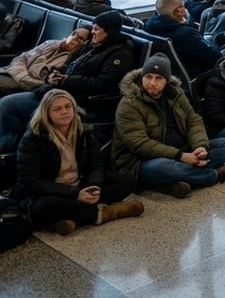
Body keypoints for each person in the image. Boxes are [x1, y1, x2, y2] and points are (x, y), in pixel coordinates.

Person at [112, 54, 225, 199]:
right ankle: (216, 174)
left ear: (166, 81)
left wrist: (199, 146)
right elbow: (139, 143)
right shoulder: (129, 103)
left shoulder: (176, 94)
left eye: (158, 78)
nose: (152, 83)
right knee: (162, 167)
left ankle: (179, 181)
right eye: (148, 77)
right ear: (142, 77)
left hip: (182, 149)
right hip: (141, 160)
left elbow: (193, 120)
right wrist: (181, 156)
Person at [0, 10, 135, 153]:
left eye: (96, 29)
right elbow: (66, 66)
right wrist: (52, 76)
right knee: (7, 104)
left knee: (37, 118)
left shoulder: (120, 55)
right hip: (55, 92)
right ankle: (12, 146)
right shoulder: (89, 47)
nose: (93, 32)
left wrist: (68, 81)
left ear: (108, 32)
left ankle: (22, 151)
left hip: (80, 102)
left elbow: (104, 84)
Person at [14, 90, 143, 236]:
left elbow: (96, 164)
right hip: (52, 191)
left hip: (80, 184)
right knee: (43, 207)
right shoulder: (33, 139)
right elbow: (31, 182)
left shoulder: (84, 131)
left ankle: (69, 217)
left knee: (128, 181)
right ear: (46, 113)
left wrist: (93, 186)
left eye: (68, 106)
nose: (64, 112)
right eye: (57, 109)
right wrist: (75, 194)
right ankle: (105, 213)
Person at [144, 0, 222, 76]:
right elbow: (216, 58)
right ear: (179, 11)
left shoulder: (149, 25)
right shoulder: (187, 34)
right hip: (201, 73)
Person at [0, 27, 89, 98]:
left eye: (80, 38)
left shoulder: (71, 61)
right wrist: (23, 76)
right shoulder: (51, 43)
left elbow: (44, 82)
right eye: (74, 33)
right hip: (12, 73)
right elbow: (22, 58)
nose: (73, 38)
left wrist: (25, 79)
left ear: (85, 45)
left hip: (27, 87)